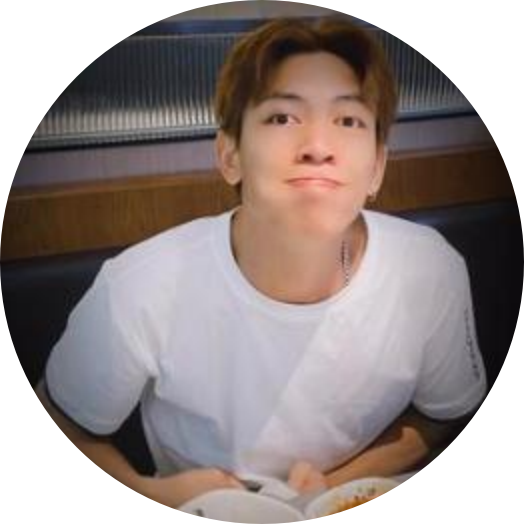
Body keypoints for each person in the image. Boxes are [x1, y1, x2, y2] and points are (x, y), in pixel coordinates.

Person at [35, 17, 487, 509]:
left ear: (377, 167)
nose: (318, 147)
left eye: (348, 120)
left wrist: (332, 488)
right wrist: (150, 491)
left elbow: (444, 418)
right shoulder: (140, 286)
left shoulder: (429, 271)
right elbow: (63, 422)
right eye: (282, 117)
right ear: (230, 155)